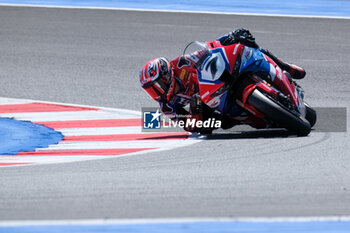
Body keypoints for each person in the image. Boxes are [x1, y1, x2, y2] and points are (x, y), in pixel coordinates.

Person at [139, 28, 306, 133]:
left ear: (166, 75)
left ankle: (284, 66)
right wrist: (196, 115)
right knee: (221, 124)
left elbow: (207, 48)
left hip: (218, 80)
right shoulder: (167, 106)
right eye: (151, 91)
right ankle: (257, 116)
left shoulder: (181, 64)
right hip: (210, 103)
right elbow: (187, 125)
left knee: (246, 41)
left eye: (157, 87)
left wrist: (228, 37)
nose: (156, 93)